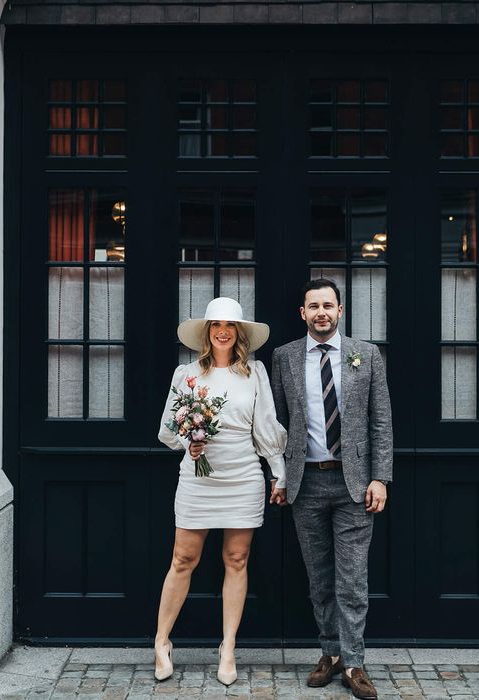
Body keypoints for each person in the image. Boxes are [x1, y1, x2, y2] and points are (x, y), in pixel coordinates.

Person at [270, 278, 393, 700]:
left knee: (352, 580)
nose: (321, 312)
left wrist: (381, 477)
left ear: (340, 311)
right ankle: (330, 654)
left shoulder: (366, 355)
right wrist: (280, 476)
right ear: (302, 313)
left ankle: (354, 663)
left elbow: (381, 421)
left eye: (328, 305)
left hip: (354, 484)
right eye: (313, 306)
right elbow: (278, 426)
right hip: (306, 483)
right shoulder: (284, 357)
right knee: (320, 579)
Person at [155, 297, 287, 686]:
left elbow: (266, 427)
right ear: (206, 333)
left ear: (239, 333)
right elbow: (166, 430)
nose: (223, 331)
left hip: (244, 476)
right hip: (197, 479)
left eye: (230, 325)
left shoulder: (255, 373)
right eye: (216, 325)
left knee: (237, 558)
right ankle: (162, 641)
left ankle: (227, 646)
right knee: (183, 559)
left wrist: (278, 474)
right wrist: (188, 439)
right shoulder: (187, 374)